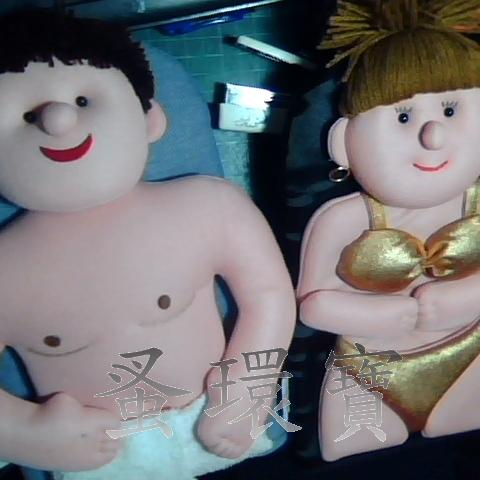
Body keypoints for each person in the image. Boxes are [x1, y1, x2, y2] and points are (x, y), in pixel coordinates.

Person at [0, 11, 296, 479]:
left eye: (82, 99)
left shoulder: (208, 205)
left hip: (222, 425)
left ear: (150, 118)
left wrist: (248, 387)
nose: (58, 119)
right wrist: (24, 432)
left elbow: (270, 295)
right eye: (28, 113)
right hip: (100, 460)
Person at [297, 0, 480, 462]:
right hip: (368, 372)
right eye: (403, 117)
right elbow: (312, 304)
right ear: (343, 142)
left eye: (451, 109)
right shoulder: (344, 219)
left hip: (471, 358)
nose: (433, 135)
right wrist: (381, 316)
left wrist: (465, 298)